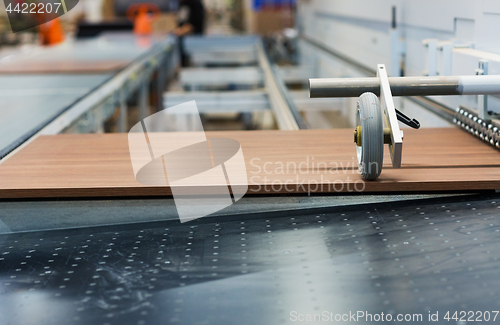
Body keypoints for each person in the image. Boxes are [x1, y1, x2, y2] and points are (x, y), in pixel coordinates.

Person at [173, 0, 206, 66]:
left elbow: (194, 25)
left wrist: (179, 31)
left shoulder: (195, 4)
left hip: (194, 42)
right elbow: (180, 21)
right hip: (182, 42)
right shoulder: (181, 4)